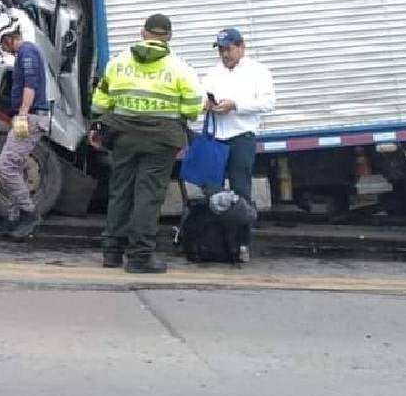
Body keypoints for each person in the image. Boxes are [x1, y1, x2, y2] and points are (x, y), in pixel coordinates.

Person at [90, 14, 202, 274]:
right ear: (169, 37)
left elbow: (99, 103)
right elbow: (194, 107)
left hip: (123, 137)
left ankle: (112, 252)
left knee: (120, 192)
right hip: (161, 141)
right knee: (148, 196)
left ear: (143, 33)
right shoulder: (180, 68)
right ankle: (140, 257)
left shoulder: (118, 63)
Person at [201, 27, 276, 264]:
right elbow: (202, 97)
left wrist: (235, 105)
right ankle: (216, 242)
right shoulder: (213, 73)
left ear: (241, 47)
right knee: (211, 190)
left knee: (241, 191)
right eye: (221, 50)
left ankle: (242, 243)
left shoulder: (258, 71)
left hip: (241, 136)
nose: (225, 54)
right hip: (216, 137)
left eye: (229, 49)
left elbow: (268, 103)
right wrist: (206, 104)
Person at [0, 15, 50, 240]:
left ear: (9, 39)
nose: (2, 49)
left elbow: (30, 86)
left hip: (31, 116)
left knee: (5, 166)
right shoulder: (25, 54)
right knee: (12, 167)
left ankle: (28, 212)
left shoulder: (28, 53)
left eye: (2, 44)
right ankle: (15, 217)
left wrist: (23, 116)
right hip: (29, 115)